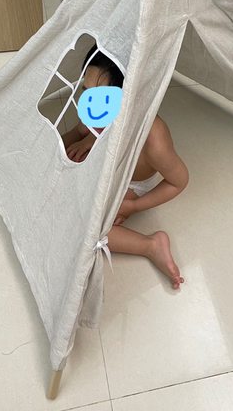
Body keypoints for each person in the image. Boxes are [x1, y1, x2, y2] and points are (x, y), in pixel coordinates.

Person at [61, 47, 189, 289]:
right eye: (86, 91)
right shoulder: (96, 111)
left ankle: (151, 245)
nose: (92, 105)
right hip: (109, 162)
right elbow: (75, 133)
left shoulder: (153, 138)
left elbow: (179, 181)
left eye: (103, 97)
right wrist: (81, 141)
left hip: (131, 182)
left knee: (85, 227)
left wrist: (133, 206)